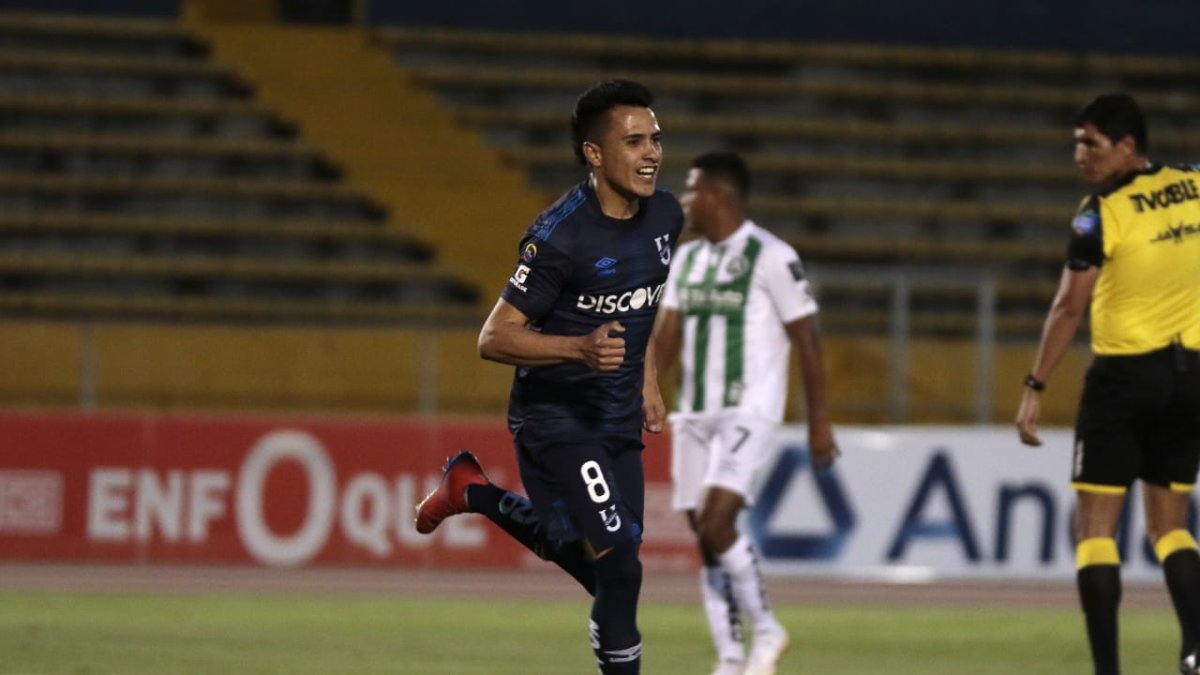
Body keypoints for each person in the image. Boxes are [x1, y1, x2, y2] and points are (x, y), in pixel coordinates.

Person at [413, 78, 682, 675]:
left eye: (656, 138)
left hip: (616, 420)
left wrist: (647, 382)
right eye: (634, 141)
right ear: (594, 153)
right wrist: (578, 349)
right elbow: (493, 337)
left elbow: (643, 304)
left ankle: (473, 490)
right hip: (557, 419)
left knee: (608, 565)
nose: (652, 153)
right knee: (619, 570)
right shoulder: (560, 237)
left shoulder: (665, 215)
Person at [1015, 92, 1200, 675]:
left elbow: (1070, 306)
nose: (1078, 155)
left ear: (1126, 146)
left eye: (1090, 143)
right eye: (1077, 141)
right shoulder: (1194, 183)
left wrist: (1035, 384)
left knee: (1095, 529)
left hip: (1124, 378)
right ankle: (1196, 646)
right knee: (1170, 526)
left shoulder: (1099, 211)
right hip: (1191, 376)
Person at [652, 150, 839, 675]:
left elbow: (807, 340)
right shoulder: (686, 260)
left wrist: (819, 421)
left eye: (691, 190)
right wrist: (644, 391)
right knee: (702, 532)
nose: (684, 200)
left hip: (747, 411)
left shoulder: (772, 256)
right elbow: (667, 338)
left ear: (716, 195)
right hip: (693, 413)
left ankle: (768, 630)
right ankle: (731, 656)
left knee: (717, 523)